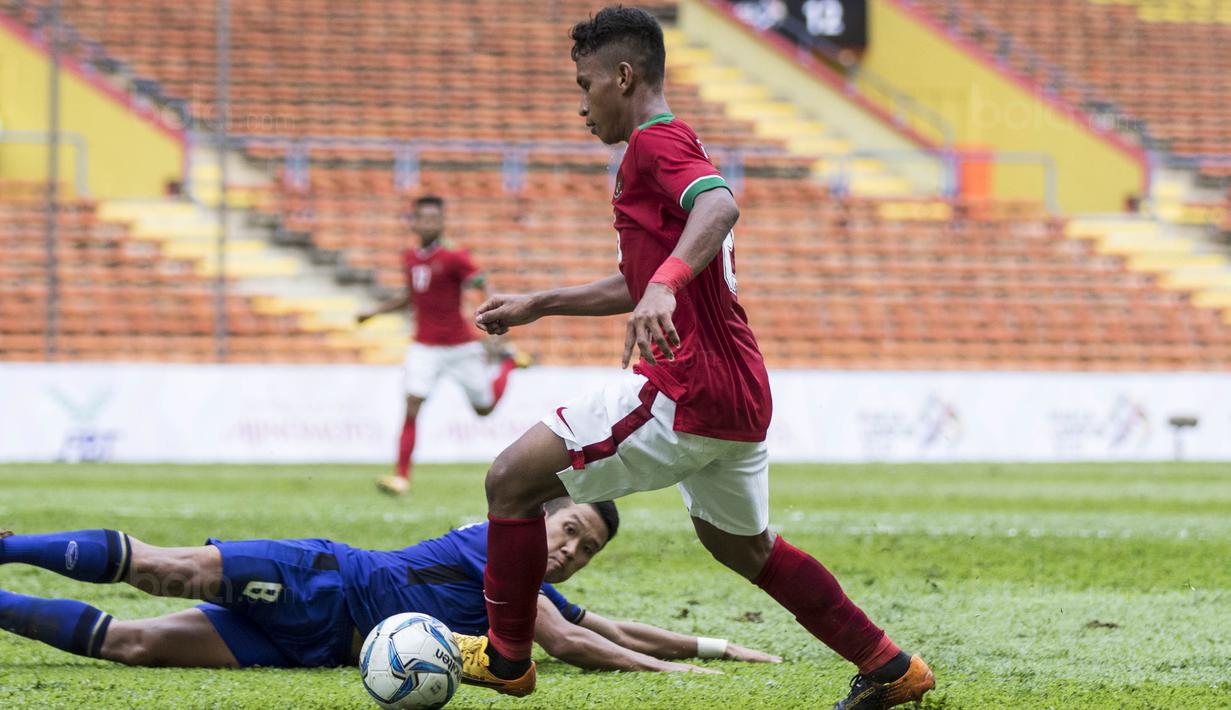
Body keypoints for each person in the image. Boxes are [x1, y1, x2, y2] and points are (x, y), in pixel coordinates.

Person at [458, 7, 934, 710]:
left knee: (510, 482)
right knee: (743, 548)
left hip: (685, 386)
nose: (580, 102)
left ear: (623, 77)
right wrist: (542, 301)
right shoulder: (656, 154)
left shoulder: (656, 144)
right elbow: (640, 278)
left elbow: (719, 205)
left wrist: (662, 286)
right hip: (738, 391)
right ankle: (891, 667)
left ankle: (507, 660)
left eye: (585, 84)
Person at [0, 498, 778, 673]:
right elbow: (570, 643)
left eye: (586, 549)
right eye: (568, 528)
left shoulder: (529, 585)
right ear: (539, 515)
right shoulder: (498, 546)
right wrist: (673, 674)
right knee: (161, 569)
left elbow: (604, 626)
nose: (571, 549)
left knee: (130, 646)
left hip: (313, 647)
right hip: (321, 581)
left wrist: (718, 643)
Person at [357, 195, 532, 496]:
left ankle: (507, 364)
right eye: (423, 218)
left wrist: (496, 322)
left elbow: (482, 286)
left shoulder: (455, 256)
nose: (429, 223)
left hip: (459, 346)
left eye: (435, 219)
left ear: (442, 222)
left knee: (484, 409)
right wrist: (374, 313)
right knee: (412, 404)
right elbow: (412, 296)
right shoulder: (410, 257)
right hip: (423, 346)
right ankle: (401, 476)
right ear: (413, 222)